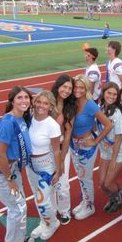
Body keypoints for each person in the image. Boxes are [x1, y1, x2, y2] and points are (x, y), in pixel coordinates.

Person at [0, 86, 33, 242]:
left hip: (12, 167)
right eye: (19, 98)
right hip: (2, 171)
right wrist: (10, 181)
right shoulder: (8, 123)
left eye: (26, 98)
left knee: (18, 204)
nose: (24, 101)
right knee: (19, 206)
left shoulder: (20, 118)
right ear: (12, 101)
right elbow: (0, 154)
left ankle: (18, 236)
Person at [70, 75, 112, 220]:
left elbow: (108, 124)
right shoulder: (72, 102)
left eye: (82, 87)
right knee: (80, 176)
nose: (78, 90)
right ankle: (85, 201)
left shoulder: (90, 104)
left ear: (87, 88)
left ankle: (90, 206)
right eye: (75, 87)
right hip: (73, 145)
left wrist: (96, 141)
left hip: (87, 146)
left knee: (85, 177)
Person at [27, 90, 61, 240]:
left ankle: (53, 223)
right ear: (34, 102)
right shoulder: (28, 118)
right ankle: (44, 221)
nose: (41, 105)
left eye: (45, 103)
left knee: (43, 200)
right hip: (30, 165)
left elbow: (56, 150)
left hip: (46, 166)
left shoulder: (52, 125)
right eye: (39, 102)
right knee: (37, 195)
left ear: (50, 106)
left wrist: (58, 171)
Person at [98, 82, 122, 213]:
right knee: (101, 184)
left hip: (118, 152)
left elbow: (118, 138)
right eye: (109, 93)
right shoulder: (100, 108)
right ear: (103, 93)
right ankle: (112, 197)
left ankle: (118, 197)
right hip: (105, 150)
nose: (111, 96)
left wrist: (113, 160)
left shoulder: (117, 113)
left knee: (108, 183)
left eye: (114, 94)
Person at [51, 74, 77, 225]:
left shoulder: (70, 107)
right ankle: (53, 210)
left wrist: (61, 159)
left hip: (61, 148)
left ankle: (65, 210)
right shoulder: (48, 101)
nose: (66, 90)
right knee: (50, 183)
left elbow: (67, 135)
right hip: (45, 149)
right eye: (64, 86)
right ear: (58, 85)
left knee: (63, 182)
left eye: (70, 88)